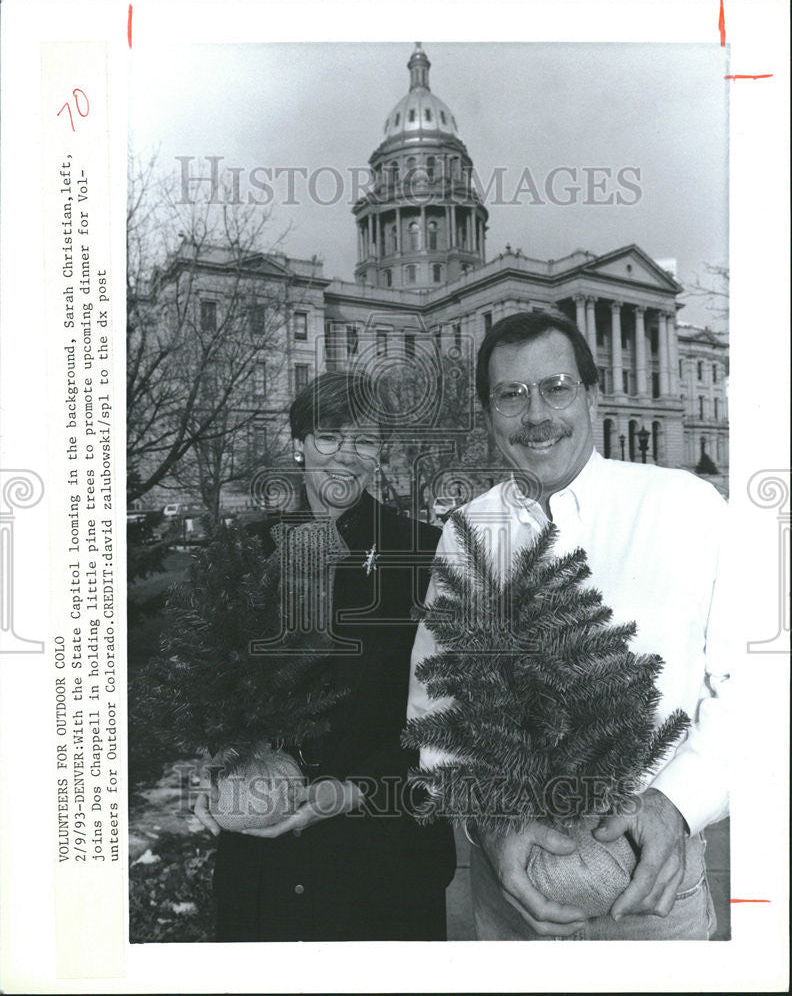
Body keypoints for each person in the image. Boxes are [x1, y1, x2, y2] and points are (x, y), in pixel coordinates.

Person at [407, 311, 729, 940]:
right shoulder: (466, 533)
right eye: (511, 394)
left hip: (652, 883)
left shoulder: (686, 507)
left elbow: (754, 682)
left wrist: (676, 805)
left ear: (591, 394)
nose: (536, 416)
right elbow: (437, 700)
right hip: (513, 886)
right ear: (489, 413)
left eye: (556, 387)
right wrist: (493, 828)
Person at [194, 370, 455, 942]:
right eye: (329, 436)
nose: (347, 455)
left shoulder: (425, 553)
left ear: (380, 455)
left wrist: (355, 788)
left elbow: (451, 711)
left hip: (380, 859)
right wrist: (214, 763)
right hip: (265, 856)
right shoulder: (246, 552)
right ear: (297, 445)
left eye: (364, 440)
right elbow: (211, 691)